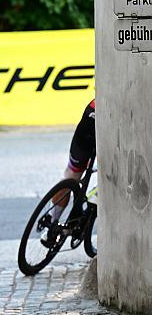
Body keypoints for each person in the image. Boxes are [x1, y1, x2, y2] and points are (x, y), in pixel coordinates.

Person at [41, 99, 96, 246]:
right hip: (90, 130)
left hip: (87, 128)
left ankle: (52, 224)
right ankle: (53, 223)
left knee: (71, 177)